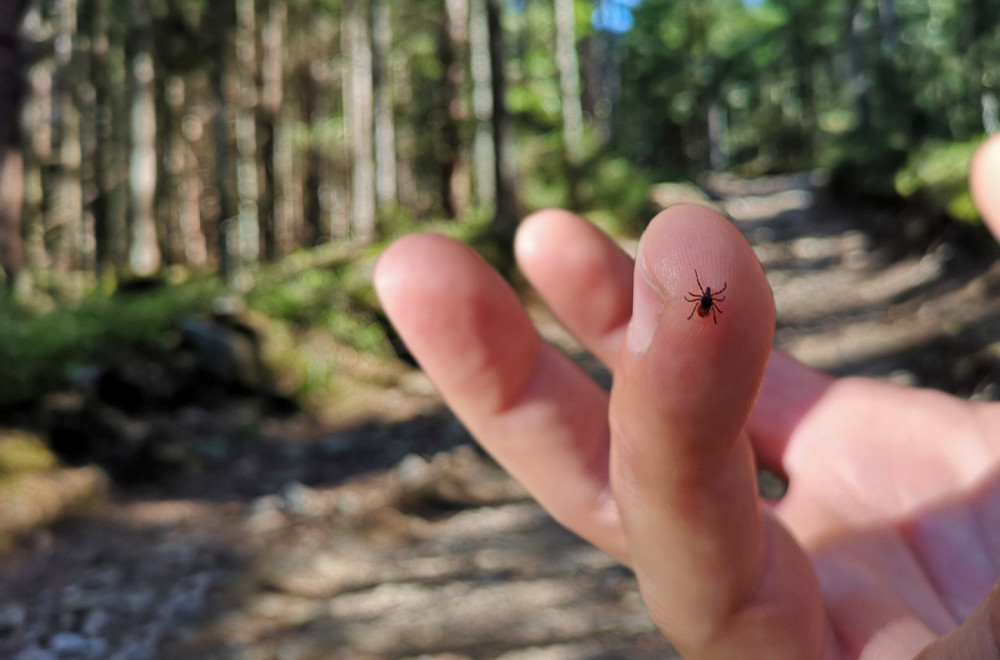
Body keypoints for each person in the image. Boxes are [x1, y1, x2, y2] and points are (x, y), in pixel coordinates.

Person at [373, 132, 1000, 659]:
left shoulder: (707, 300)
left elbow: (711, 300)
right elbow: (710, 300)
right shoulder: (706, 300)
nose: (704, 300)